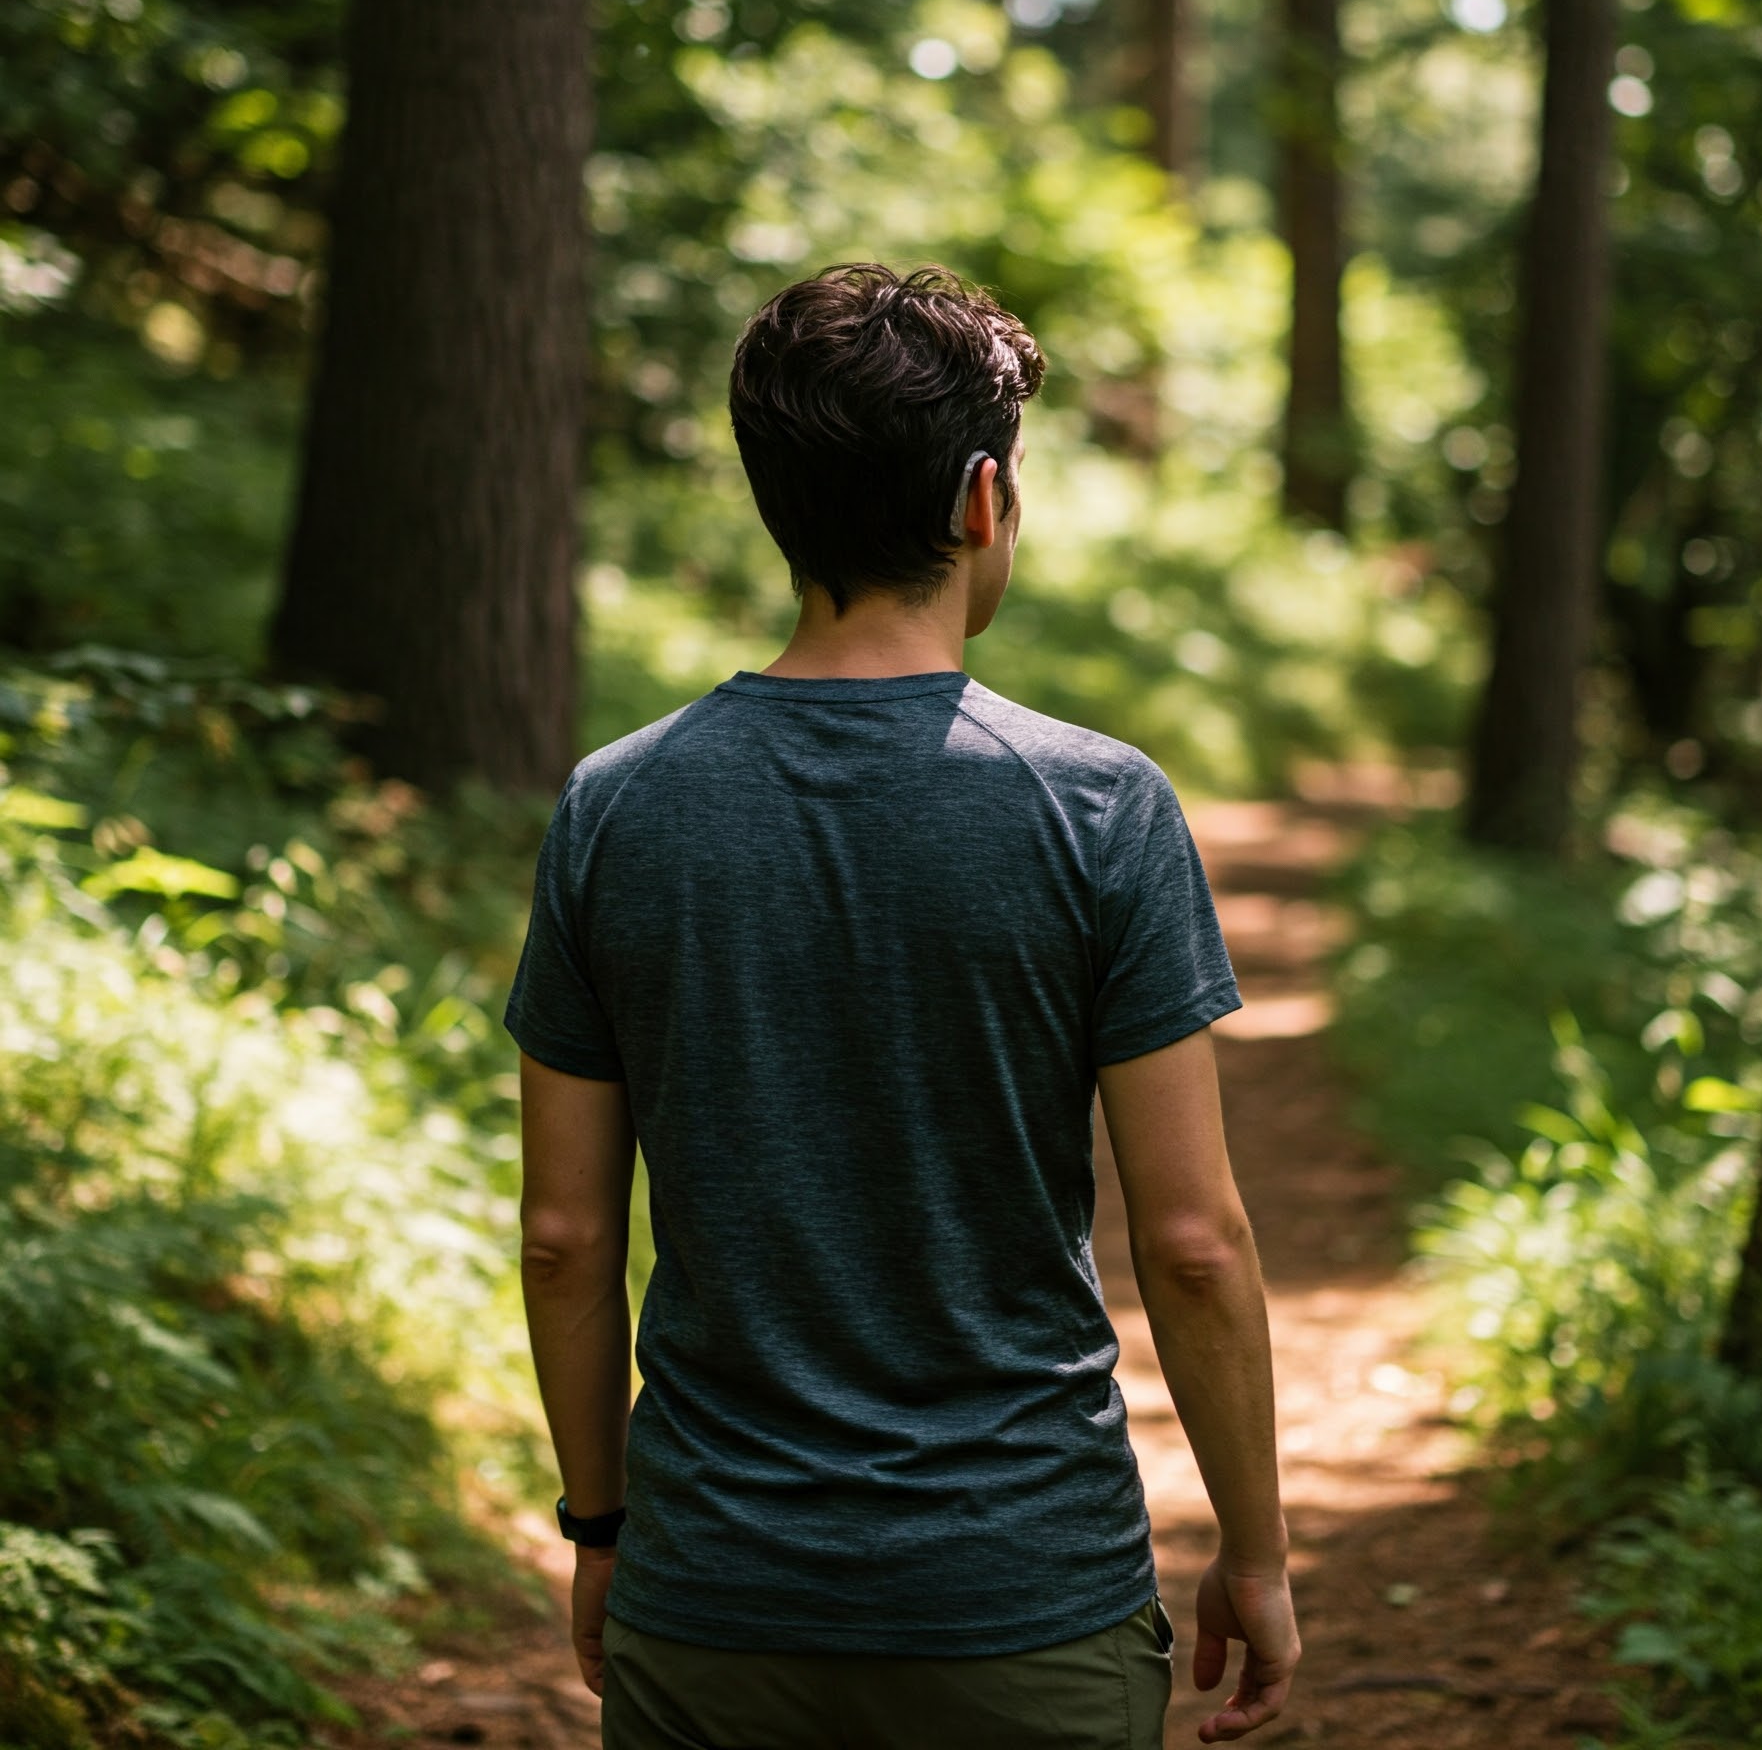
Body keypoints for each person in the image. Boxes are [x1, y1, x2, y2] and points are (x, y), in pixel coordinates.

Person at [510, 264, 1299, 1750]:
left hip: (713, 1605)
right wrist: (1251, 1555)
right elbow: (1193, 1245)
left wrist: (601, 1527)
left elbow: (565, 1240)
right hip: (1027, 1606)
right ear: (986, 500)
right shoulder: (1099, 808)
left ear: (778, 504)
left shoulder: (617, 809)